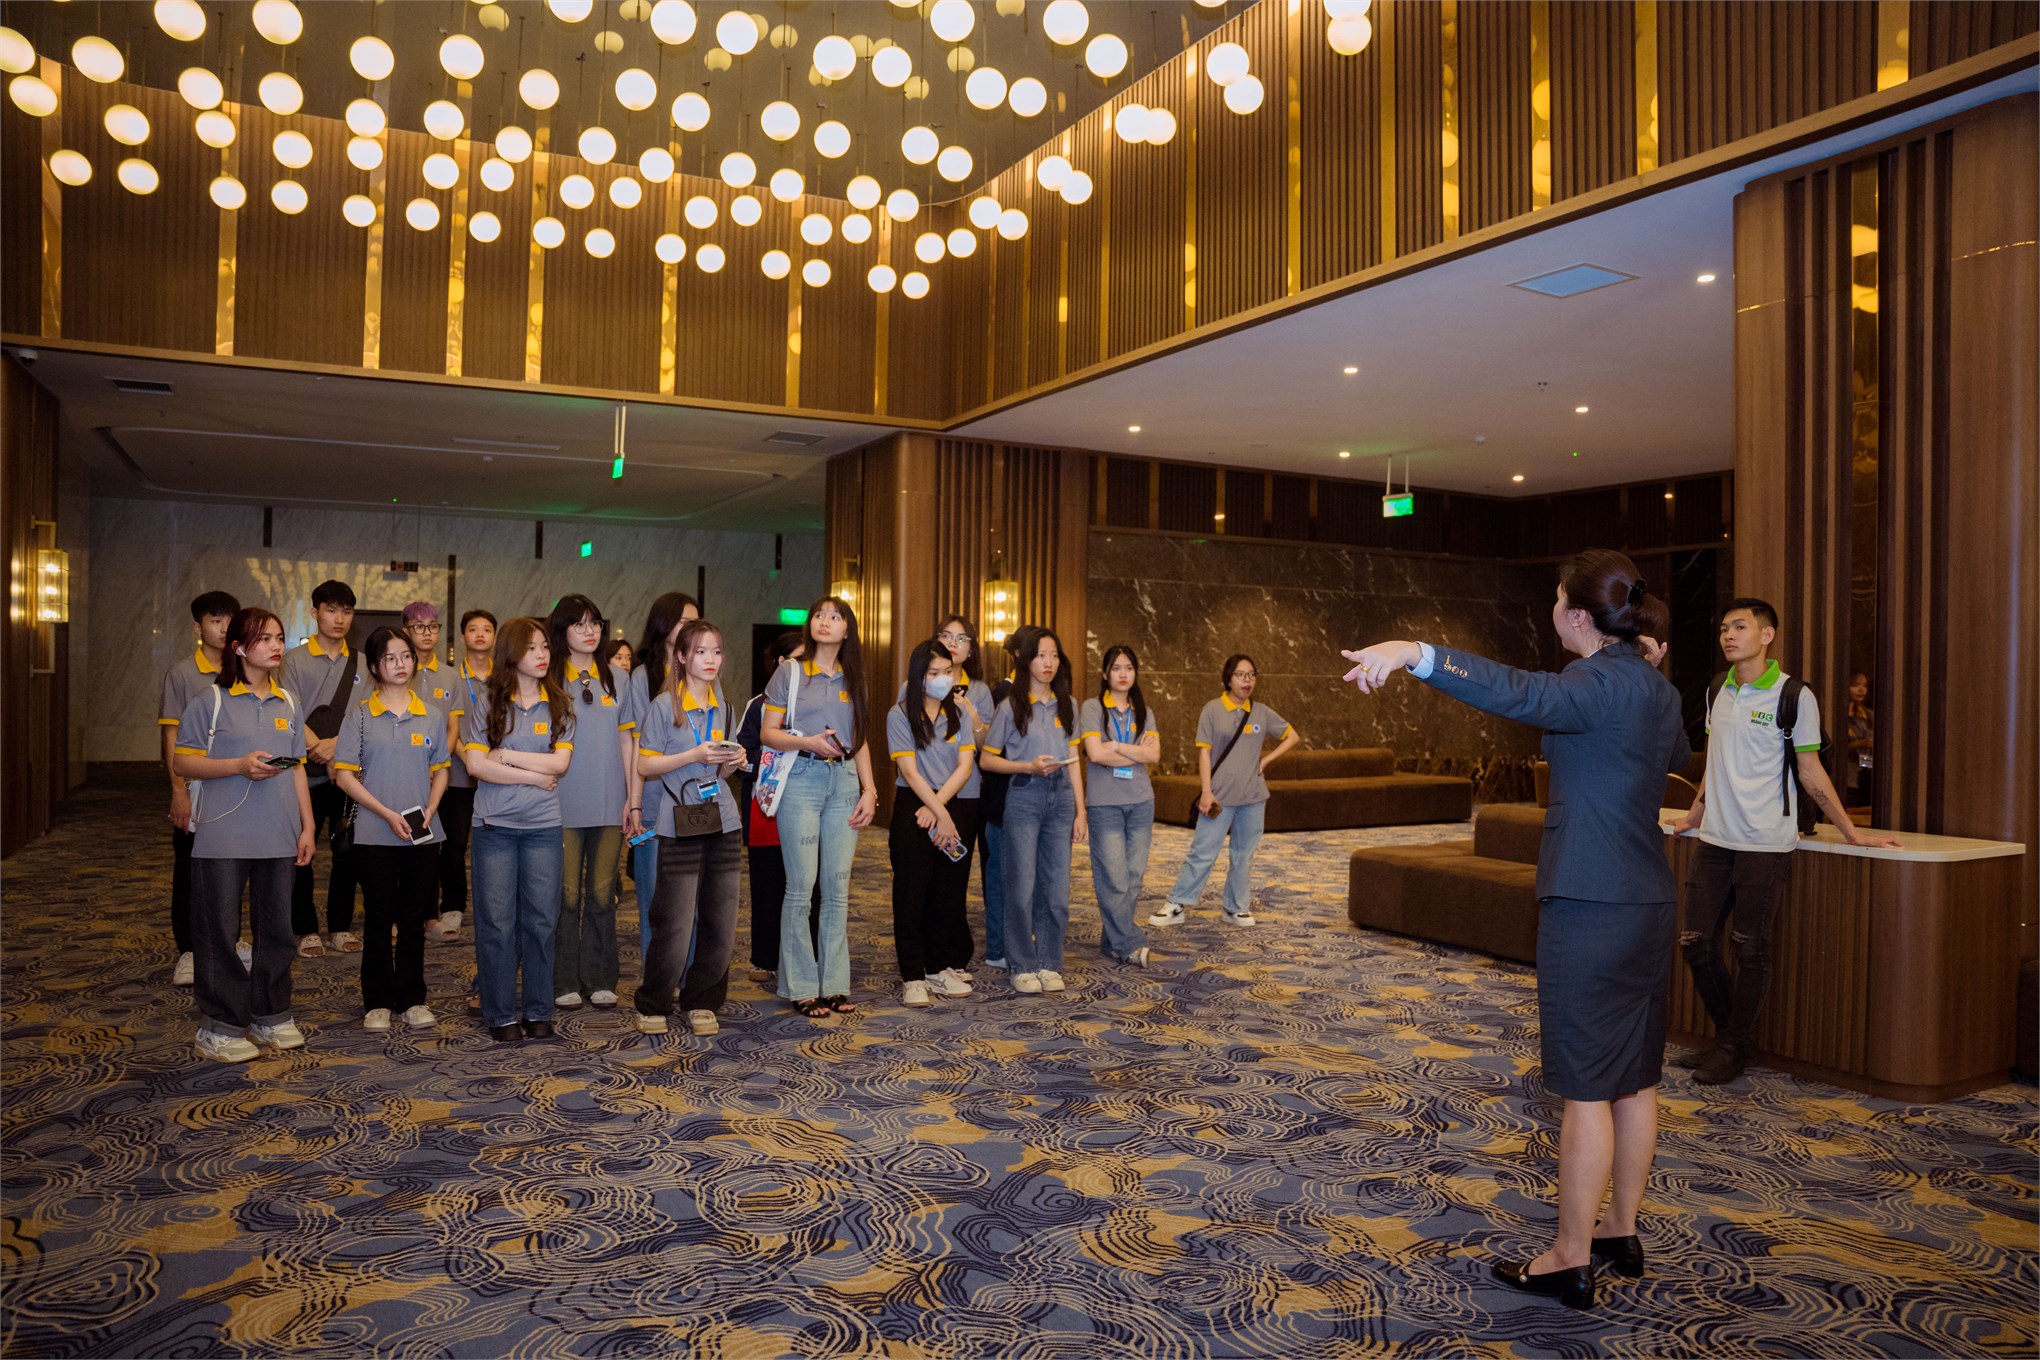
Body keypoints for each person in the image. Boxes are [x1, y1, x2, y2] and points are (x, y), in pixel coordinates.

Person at [1343, 549, 1688, 1311]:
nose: (1551, 609)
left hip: (1590, 902)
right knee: (1635, 1077)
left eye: (1557, 599)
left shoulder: (1592, 682)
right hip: (1648, 899)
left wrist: (1415, 652)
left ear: (1578, 615)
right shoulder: (1655, 686)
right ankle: (1619, 1229)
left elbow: (1514, 690)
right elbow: (1676, 757)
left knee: (1587, 1089)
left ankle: (1569, 1257)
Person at [1668, 601, 1900, 1085]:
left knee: (1749, 947)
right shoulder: (1717, 688)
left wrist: (1851, 831)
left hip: (1766, 842)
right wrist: (1695, 812)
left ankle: (1732, 1044)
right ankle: (1736, 1040)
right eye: (1724, 628)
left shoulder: (1794, 695)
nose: (1728, 635)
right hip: (1715, 839)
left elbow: (1811, 771)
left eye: (1740, 626)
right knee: (1695, 942)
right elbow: (1715, 759)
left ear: (1767, 634)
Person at [171, 607, 316, 1062]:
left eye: (279, 637)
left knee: (277, 930)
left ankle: (272, 1014)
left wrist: (308, 826)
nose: (276, 646)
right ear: (238, 647)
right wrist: (237, 766)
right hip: (223, 836)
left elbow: (296, 768)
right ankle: (220, 1026)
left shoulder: (288, 702)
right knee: (219, 931)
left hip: (279, 833)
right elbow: (183, 761)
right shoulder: (210, 700)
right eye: (264, 638)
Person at [761, 596, 877, 1019]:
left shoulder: (855, 677)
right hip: (801, 779)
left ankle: (835, 985)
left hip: (844, 780)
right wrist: (807, 742)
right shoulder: (791, 672)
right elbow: (768, 733)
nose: (824, 621)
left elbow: (860, 739)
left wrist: (870, 789)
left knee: (837, 887)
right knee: (801, 886)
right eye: (819, 615)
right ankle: (801, 986)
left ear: (847, 629)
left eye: (835, 616)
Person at [331, 626, 448, 1032]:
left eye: (406, 657)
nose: (400, 665)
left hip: (422, 832)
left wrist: (431, 808)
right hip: (374, 833)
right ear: (375, 667)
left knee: (414, 918)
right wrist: (384, 813)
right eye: (390, 658)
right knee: (379, 916)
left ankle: (413, 998)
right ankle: (378, 1000)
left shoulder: (431, 714)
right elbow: (344, 776)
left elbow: (441, 769)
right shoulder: (360, 715)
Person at [461, 617, 572, 1043]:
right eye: (531, 648)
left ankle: (539, 1010)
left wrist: (505, 756)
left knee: (542, 922)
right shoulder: (489, 703)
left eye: (545, 646)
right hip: (495, 827)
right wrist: (533, 775)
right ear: (512, 653)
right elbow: (476, 765)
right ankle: (500, 1013)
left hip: (543, 827)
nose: (542, 655)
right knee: (497, 924)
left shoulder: (558, 703)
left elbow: (560, 763)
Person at [634, 619, 746, 1037]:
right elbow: (645, 764)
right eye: (700, 651)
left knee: (721, 920)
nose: (710, 659)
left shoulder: (725, 707)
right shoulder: (665, 706)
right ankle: (654, 1001)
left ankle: (702, 1000)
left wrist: (733, 761)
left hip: (723, 820)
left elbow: (721, 771)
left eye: (716, 651)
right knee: (675, 921)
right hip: (679, 822)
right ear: (681, 657)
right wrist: (692, 755)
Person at [1148, 654, 1298, 930]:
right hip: (1218, 797)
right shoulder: (1212, 710)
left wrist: (1266, 760)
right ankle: (1177, 903)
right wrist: (1206, 792)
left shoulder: (1261, 712)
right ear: (1228, 679)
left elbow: (1292, 735)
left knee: (1243, 855)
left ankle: (1236, 907)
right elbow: (1204, 754)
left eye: (1252, 675)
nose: (1247, 680)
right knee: (1202, 852)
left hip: (1253, 797)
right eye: (1241, 675)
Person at [979, 626, 1086, 996]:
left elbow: (1074, 760)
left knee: (1056, 889)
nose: (1048, 662)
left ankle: (1049, 962)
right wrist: (1026, 766)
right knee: (1021, 887)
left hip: (1062, 798)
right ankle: (1022, 964)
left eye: (1054, 655)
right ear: (1026, 661)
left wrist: (1081, 812)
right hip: (1024, 795)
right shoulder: (1011, 706)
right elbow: (987, 760)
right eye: (1041, 655)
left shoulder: (1069, 704)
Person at [547, 595, 633, 1012]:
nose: (590, 631)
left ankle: (599, 978)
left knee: (601, 894)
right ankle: (563, 979)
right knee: (565, 896)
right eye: (579, 624)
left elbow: (627, 739)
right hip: (559, 802)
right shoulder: (547, 675)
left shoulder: (618, 677)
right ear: (561, 630)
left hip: (609, 802)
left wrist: (633, 797)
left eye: (595, 623)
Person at [886, 638, 980, 1007]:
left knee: (947, 890)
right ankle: (912, 974)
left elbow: (965, 766)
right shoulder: (899, 714)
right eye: (933, 673)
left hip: (947, 803)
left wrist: (939, 809)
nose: (942, 679)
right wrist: (936, 810)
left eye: (947, 672)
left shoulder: (959, 714)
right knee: (911, 891)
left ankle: (939, 967)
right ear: (918, 676)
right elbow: (909, 771)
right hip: (914, 804)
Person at [160, 589, 241, 986]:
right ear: (198, 627)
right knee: (190, 870)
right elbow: (172, 736)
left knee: (236, 868)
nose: (224, 628)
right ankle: (190, 950)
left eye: (229, 620)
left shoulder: (245, 668)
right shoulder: (182, 673)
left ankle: (229, 942)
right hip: (196, 788)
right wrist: (178, 791)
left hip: (237, 787)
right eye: (215, 620)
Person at [279, 578, 362, 958]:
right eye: (331, 610)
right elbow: (290, 712)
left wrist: (336, 749)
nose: (339, 618)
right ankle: (306, 929)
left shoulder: (361, 662)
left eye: (346, 611)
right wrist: (321, 748)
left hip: (345, 775)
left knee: (347, 851)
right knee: (302, 851)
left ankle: (340, 927)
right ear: (315, 613)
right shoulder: (293, 661)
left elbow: (364, 717)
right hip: (303, 773)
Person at [623, 592, 701, 959]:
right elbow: (638, 745)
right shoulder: (644, 677)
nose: (691, 628)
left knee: (693, 902)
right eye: (684, 621)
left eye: (695, 622)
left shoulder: (703, 674)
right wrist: (634, 803)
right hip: (654, 803)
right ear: (664, 625)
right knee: (654, 901)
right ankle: (659, 980)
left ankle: (691, 978)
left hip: (696, 804)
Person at [738, 629, 816, 987]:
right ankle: (766, 957)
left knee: (807, 883)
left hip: (810, 803)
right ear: (782, 663)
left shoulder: (816, 700)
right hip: (767, 806)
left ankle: (806, 954)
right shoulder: (759, 705)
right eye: (797, 660)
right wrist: (778, 758)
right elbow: (743, 755)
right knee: (768, 884)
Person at [1080, 646, 1159, 968]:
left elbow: (1154, 755)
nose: (1123, 674)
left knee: (1133, 877)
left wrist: (1114, 745)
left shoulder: (1144, 712)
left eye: (1128, 668)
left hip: (1141, 800)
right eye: (1116, 668)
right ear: (1105, 674)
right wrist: (1134, 753)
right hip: (1105, 803)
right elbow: (1095, 754)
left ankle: (1113, 939)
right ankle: (1129, 942)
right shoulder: (1092, 708)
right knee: (1113, 877)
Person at [431, 608, 497, 946]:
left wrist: (493, 762)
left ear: (495, 637)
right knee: (454, 844)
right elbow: (449, 728)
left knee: (495, 842)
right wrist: (471, 758)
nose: (480, 634)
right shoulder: (451, 677)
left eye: (487, 629)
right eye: (473, 629)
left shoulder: (505, 677)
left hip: (498, 773)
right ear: (462, 637)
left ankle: (493, 903)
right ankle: (453, 905)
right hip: (458, 773)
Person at [1845, 669, 1874, 805]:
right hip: (1847, 776)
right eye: (1855, 685)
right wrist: (1859, 744)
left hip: (1867, 775)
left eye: (1865, 686)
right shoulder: (1837, 713)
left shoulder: (1869, 715)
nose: (1861, 690)